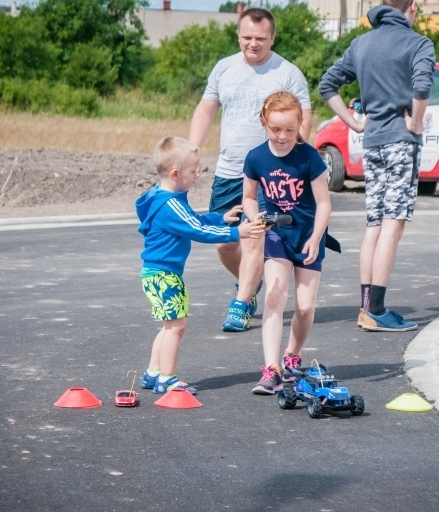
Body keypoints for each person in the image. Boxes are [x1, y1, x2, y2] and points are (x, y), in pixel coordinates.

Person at [189, 7, 312, 333]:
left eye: (260, 38)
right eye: (247, 37)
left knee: (256, 238)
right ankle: (252, 281)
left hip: (269, 174)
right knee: (225, 243)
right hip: (230, 172)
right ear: (238, 36)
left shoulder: (287, 73)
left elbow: (304, 120)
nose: (253, 44)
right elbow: (205, 110)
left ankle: (241, 303)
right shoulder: (224, 68)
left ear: (272, 37)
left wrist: (290, 161)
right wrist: (192, 149)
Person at [318, 0, 435, 332]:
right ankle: (378, 310)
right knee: (393, 223)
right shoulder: (418, 43)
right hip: (401, 141)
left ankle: (366, 306)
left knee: (374, 222)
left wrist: (355, 123)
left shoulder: (362, 44)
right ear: (411, 7)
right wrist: (414, 123)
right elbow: (423, 85)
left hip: (372, 143)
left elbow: (327, 85)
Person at [136, 136, 264, 395]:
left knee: (168, 325)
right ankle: (167, 378)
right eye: (193, 171)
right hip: (165, 276)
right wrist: (236, 233)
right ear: (175, 174)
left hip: (154, 273)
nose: (197, 175)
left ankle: (152, 373)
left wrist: (220, 218)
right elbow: (196, 229)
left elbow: (192, 219)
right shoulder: (171, 205)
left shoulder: (162, 197)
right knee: (177, 326)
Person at [243, 91, 331, 395]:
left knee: (305, 308)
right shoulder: (256, 157)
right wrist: (255, 219)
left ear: (300, 126)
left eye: (290, 130)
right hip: (277, 233)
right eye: (276, 129)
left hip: (308, 237)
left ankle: (291, 355)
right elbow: (249, 197)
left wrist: (317, 239)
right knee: (274, 295)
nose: (283, 136)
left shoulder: (309, 157)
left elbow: (324, 203)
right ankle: (271, 369)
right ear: (264, 123)